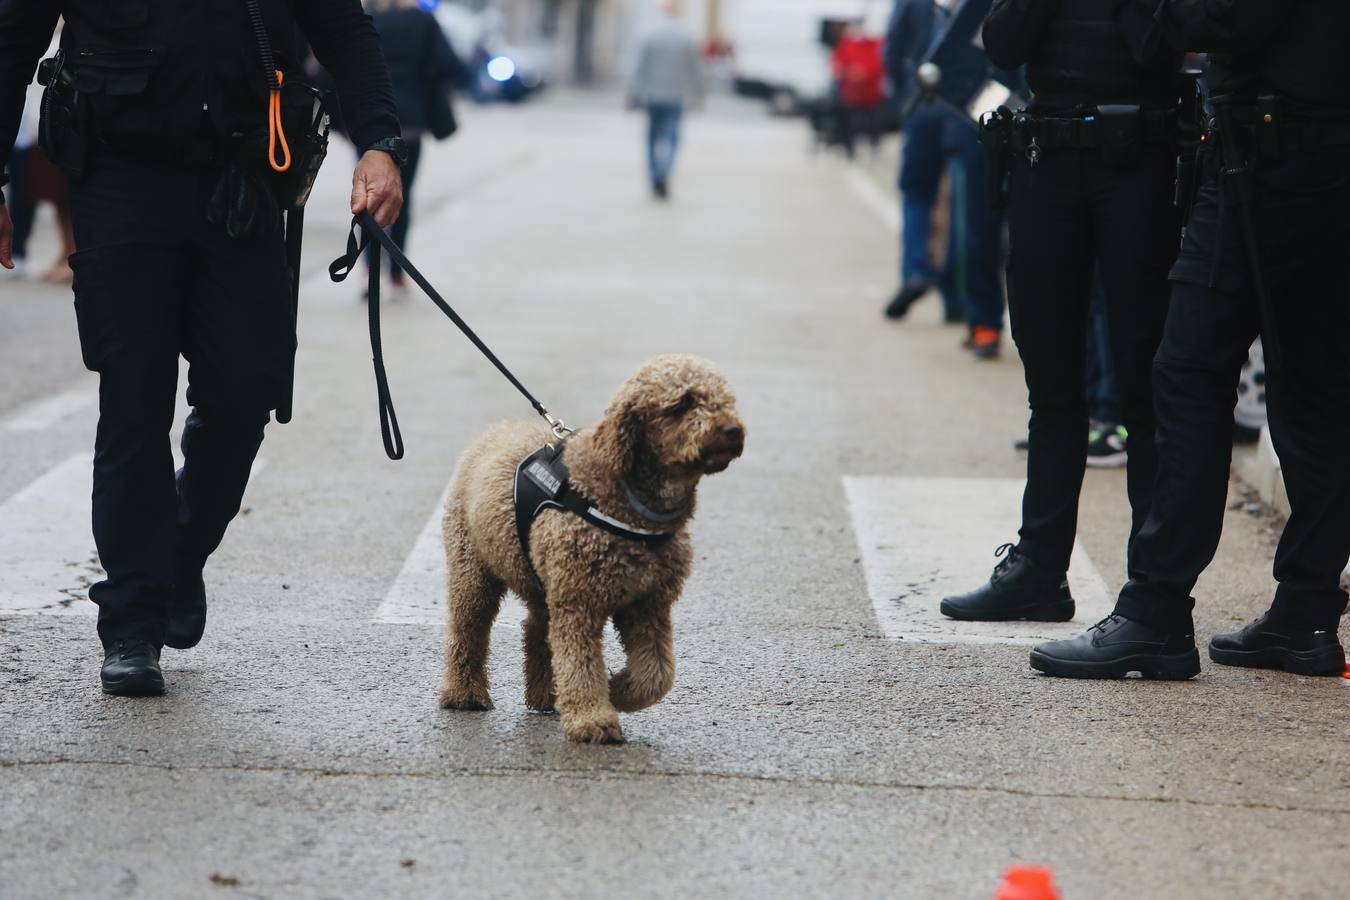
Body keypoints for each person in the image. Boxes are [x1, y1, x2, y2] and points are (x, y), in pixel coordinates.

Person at [0, 0, 405, 696]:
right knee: (133, 399)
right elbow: (12, 37)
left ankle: (179, 558)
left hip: (243, 176)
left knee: (247, 389)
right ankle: (131, 620)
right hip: (120, 177)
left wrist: (378, 142)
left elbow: (341, 26)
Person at [1031, 0, 1350, 679]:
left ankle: (1155, 613)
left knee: (1189, 375)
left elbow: (1220, 21)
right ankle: (1306, 614)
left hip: (1267, 156)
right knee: (1313, 390)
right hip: (1304, 148)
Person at [939, 0, 1183, 622]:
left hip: (1139, 162)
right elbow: (1001, 43)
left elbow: (1163, 47)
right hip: (1046, 162)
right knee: (1050, 385)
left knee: (1141, 383)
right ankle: (1040, 570)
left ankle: (1149, 587)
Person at [882, 0, 1006, 360]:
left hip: (925, 102)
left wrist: (903, 97)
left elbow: (894, 44)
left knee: (916, 195)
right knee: (969, 209)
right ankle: (965, 305)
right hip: (974, 104)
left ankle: (916, 270)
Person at [364, 0, 463, 298]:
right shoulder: (423, 23)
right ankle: (396, 274)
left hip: (370, 125)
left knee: (369, 197)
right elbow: (450, 65)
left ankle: (370, 270)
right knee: (401, 199)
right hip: (410, 124)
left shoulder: (367, 19)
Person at [628, 1, 703, 200]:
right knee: (672, 138)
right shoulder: (685, 36)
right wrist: (698, 94)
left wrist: (633, 94)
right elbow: (695, 69)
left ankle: (655, 177)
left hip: (652, 96)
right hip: (675, 96)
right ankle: (664, 171)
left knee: (652, 139)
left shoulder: (649, 35)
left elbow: (639, 67)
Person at [830, 24, 886, 160]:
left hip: (871, 92)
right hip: (851, 93)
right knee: (850, 122)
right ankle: (850, 149)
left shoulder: (876, 43)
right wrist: (847, 72)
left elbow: (881, 63)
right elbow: (837, 63)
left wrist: (865, 73)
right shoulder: (846, 43)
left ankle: (875, 147)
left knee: (873, 122)